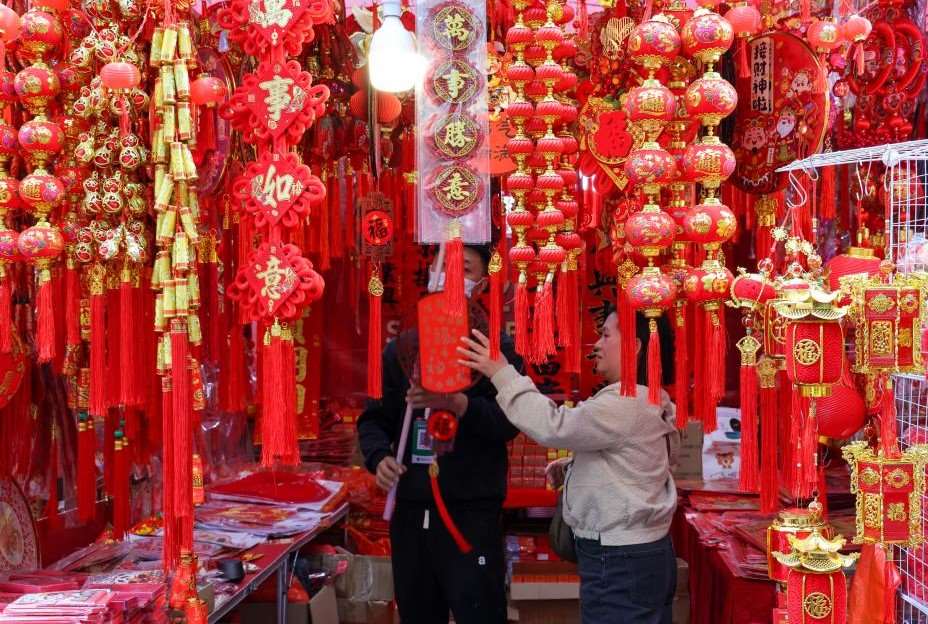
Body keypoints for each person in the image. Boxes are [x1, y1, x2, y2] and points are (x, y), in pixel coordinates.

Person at [458, 307, 679, 624]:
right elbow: (632, 459)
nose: (596, 345)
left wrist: (502, 374)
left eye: (605, 335)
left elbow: (554, 426)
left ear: (634, 347)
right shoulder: (649, 398)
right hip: (639, 553)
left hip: (620, 558)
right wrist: (577, 465)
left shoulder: (628, 402)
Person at [357, 244, 523, 624]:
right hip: (411, 509)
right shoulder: (403, 348)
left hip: (471, 511)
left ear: (482, 283)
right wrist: (380, 457)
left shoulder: (494, 349)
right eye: (443, 266)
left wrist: (458, 404)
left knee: (479, 612)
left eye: (465, 268)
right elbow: (374, 419)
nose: (451, 276)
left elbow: (510, 421)